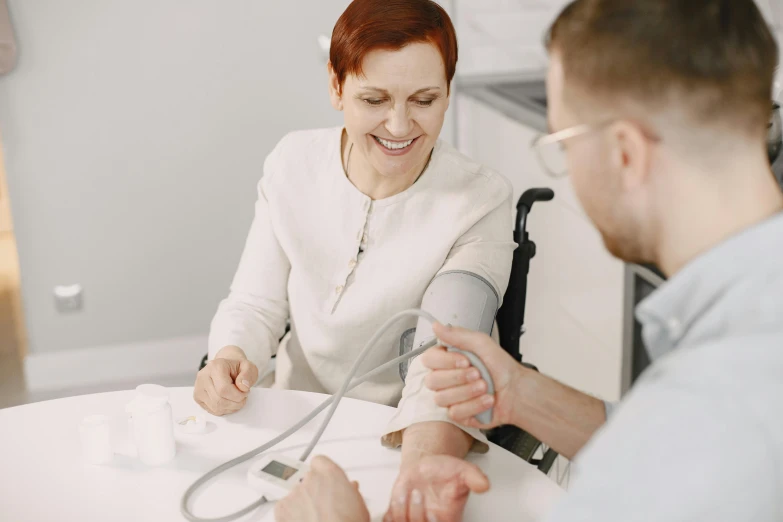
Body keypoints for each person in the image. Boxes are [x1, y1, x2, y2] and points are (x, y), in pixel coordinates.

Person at [275, 0, 783, 521]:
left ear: (625, 153)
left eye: (562, 141)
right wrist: (523, 395)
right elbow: (675, 440)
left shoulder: (726, 403)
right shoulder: (746, 325)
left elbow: (690, 447)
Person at [195, 0, 517, 519]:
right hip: (292, 420)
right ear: (336, 86)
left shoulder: (480, 201)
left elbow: (447, 355)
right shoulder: (291, 164)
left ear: (448, 93)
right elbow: (255, 304)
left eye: (424, 99)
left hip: (400, 439)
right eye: (374, 98)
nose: (399, 125)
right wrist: (230, 355)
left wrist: (421, 470)